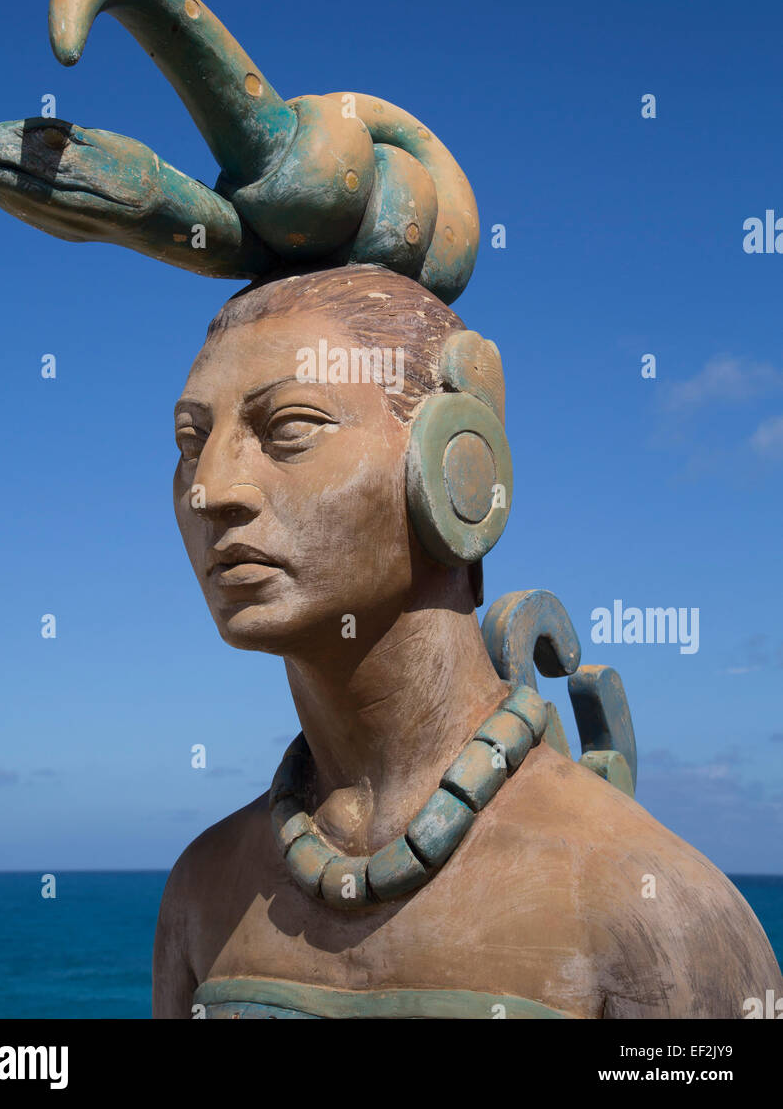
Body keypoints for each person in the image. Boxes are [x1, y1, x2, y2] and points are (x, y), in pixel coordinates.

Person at [152, 264, 781, 1020]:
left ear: (458, 467)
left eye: (289, 427)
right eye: (192, 442)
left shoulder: (653, 908)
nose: (210, 488)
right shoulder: (202, 893)